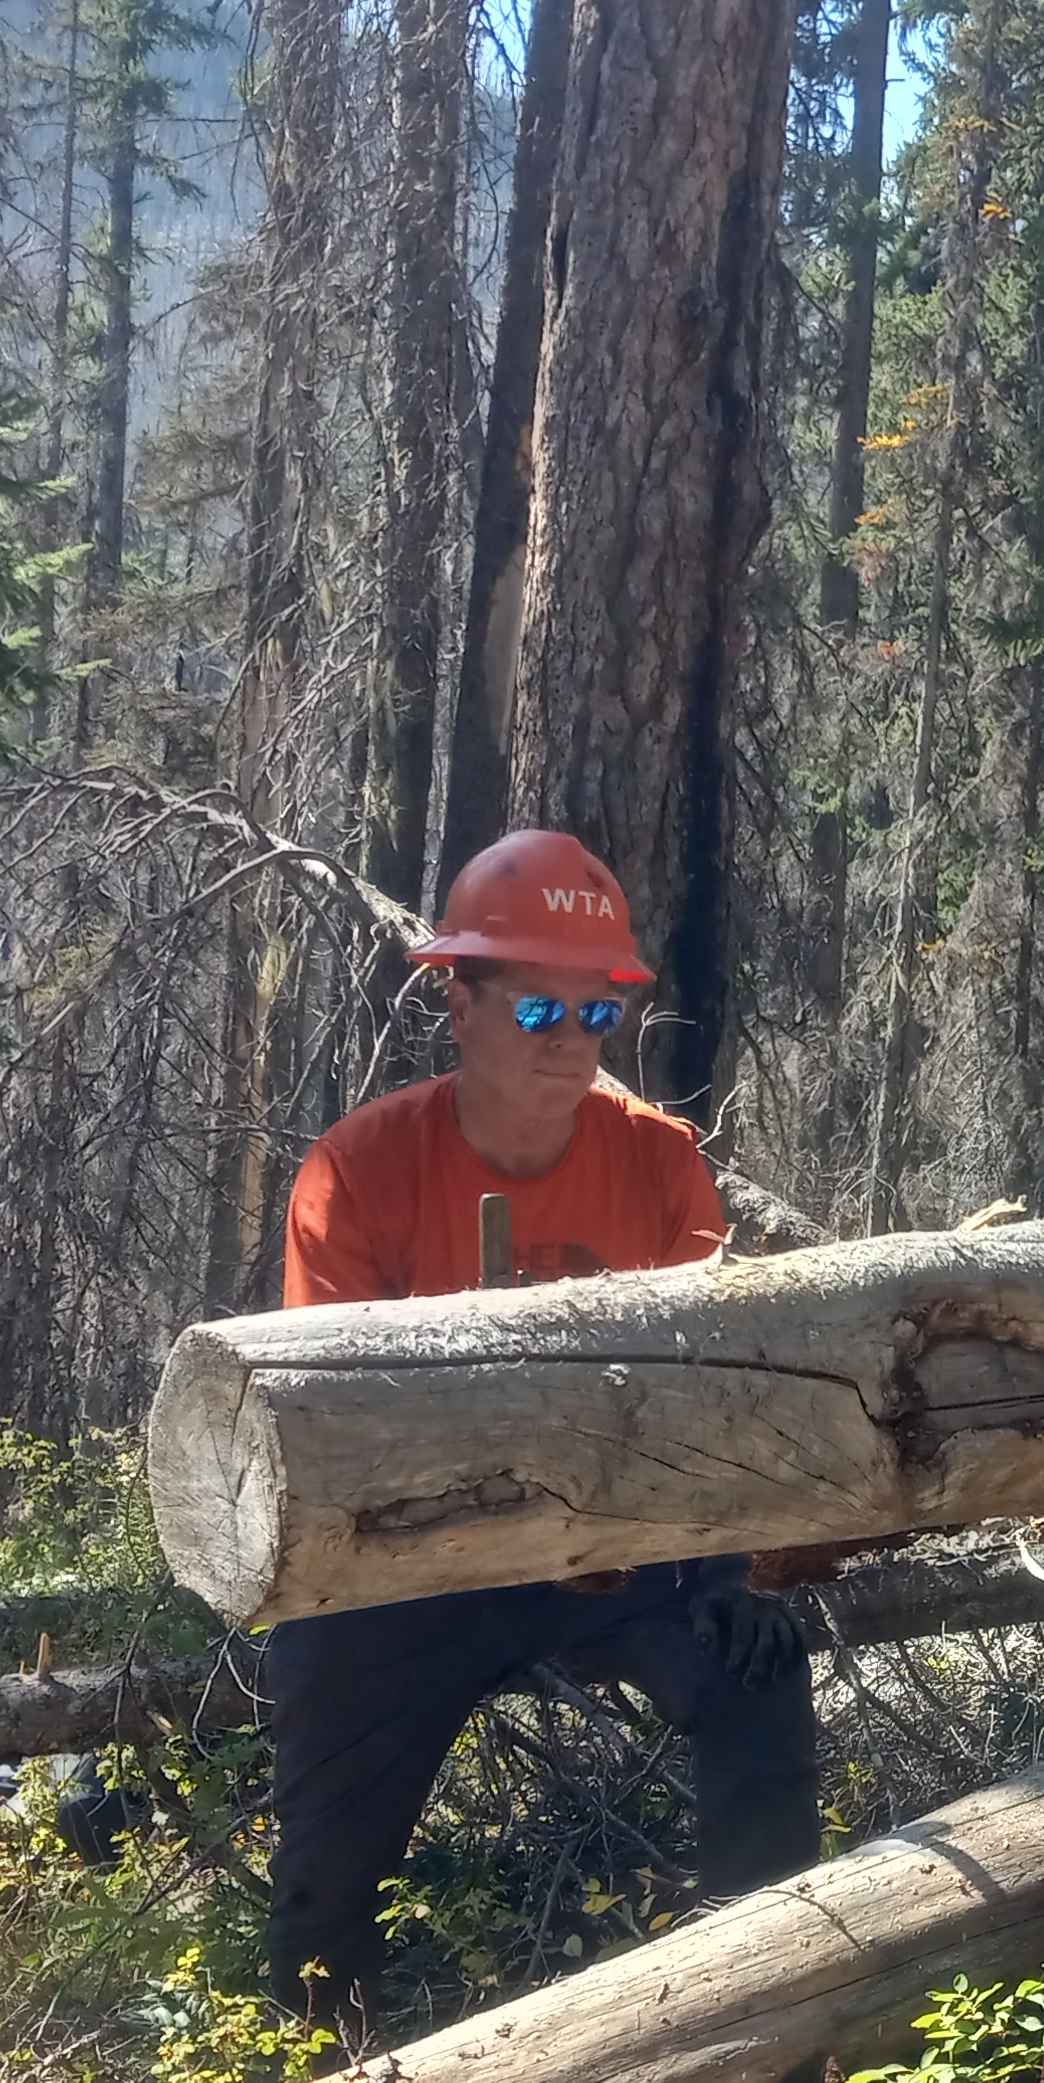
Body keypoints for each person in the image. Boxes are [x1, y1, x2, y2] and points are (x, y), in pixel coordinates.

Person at [261, 827, 821, 2009]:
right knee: (322, 1881)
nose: (571, 1042)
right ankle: (319, 2055)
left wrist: (731, 1569)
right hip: (408, 1571)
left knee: (757, 1677)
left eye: (596, 1013)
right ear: (459, 1003)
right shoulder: (357, 1173)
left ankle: (762, 2017)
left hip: (617, 1554)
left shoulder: (660, 1165)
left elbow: (715, 1386)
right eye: (536, 1011)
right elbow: (333, 1428)